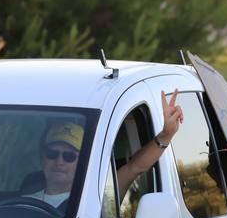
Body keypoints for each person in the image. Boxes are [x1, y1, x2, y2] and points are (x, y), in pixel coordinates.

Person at [25, 89, 184, 208]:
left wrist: (166, 135)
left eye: (69, 156)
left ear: (83, 161)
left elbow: (135, 167)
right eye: (52, 154)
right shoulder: (24, 202)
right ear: (43, 157)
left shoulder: (99, 197)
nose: (59, 161)